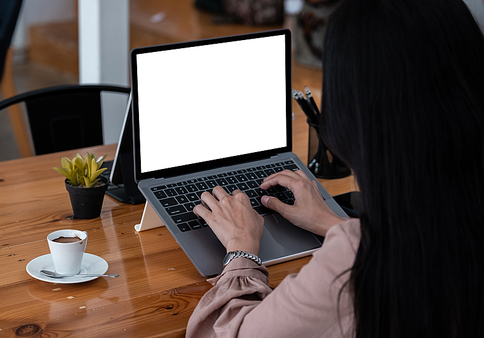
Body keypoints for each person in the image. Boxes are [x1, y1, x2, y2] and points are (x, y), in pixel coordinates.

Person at [186, 0, 484, 336]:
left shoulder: (357, 266)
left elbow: (236, 333)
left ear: (356, 114)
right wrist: (331, 223)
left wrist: (241, 250)